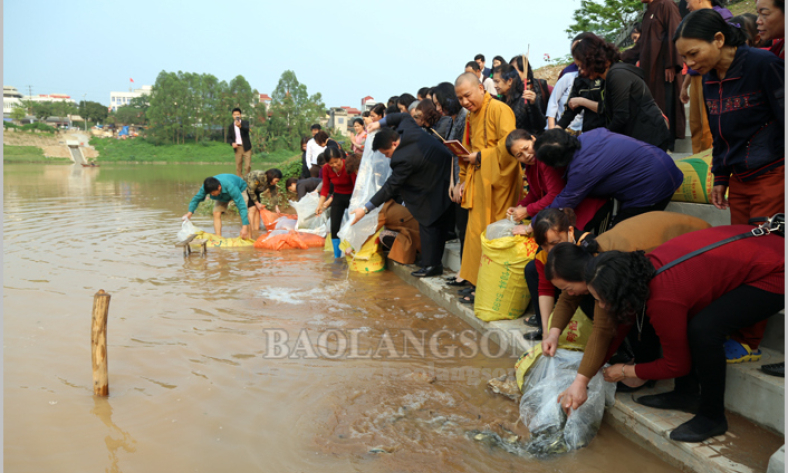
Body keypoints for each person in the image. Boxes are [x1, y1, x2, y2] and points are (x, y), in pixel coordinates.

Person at [583, 226, 784, 442]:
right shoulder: (639, 272)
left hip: (777, 270)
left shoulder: (663, 299)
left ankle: (712, 416)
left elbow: (676, 365)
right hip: (760, 250)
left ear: (621, 294)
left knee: (705, 330)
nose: (601, 306)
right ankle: (686, 393)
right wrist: (588, 372)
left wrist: (626, 370)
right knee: (686, 319)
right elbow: (621, 327)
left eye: (601, 299)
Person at [674, 8, 785, 359]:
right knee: (741, 258)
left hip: (772, 173)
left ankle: (750, 341)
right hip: (740, 178)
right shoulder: (707, 78)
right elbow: (720, 133)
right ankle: (739, 329)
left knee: (763, 258)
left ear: (719, 40)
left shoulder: (761, 64)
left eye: (694, 53)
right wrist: (720, 176)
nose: (690, 64)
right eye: (684, 57)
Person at [538, 211, 710, 402]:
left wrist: (580, 382)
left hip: (698, 244)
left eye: (569, 288)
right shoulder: (587, 259)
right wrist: (553, 334)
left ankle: (650, 372)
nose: (569, 293)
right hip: (673, 244)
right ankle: (644, 367)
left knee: (641, 311)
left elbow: (602, 330)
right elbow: (568, 298)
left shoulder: (604, 272)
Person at [350, 119, 453, 278]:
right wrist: (379, 124)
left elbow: (389, 187)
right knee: (431, 221)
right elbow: (400, 115)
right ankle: (430, 262)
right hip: (439, 170)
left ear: (393, 145)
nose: (388, 158)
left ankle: (432, 265)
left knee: (428, 221)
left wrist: (365, 209)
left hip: (441, 179)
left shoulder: (402, 160)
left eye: (386, 154)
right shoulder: (406, 128)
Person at [453, 72, 521, 303]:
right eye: (460, 99)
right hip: (478, 179)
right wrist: (461, 180)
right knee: (474, 234)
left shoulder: (500, 109)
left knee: (493, 234)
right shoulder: (471, 117)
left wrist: (482, 156)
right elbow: (466, 149)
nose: (464, 102)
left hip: (499, 181)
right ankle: (476, 281)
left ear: (481, 88)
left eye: (467, 96)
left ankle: (489, 284)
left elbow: (510, 144)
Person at [535, 128, 683, 226]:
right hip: (663, 163)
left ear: (558, 162)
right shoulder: (589, 135)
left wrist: (534, 223)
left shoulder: (582, 167)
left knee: (620, 236)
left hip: (653, 185)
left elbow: (565, 201)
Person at [571, 34, 671, 150]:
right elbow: (607, 108)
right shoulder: (609, 76)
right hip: (640, 137)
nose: (580, 71)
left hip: (650, 138)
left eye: (580, 66)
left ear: (590, 61)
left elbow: (620, 117)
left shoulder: (617, 75)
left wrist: (601, 139)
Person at [678, 0, 732, 153]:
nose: (687, 6)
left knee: (709, 125)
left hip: (713, 76)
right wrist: (685, 85)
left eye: (689, 2)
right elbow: (692, 61)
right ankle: (698, 160)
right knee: (696, 124)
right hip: (696, 78)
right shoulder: (693, 21)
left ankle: (711, 164)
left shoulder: (721, 17)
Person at [432, 82, 470, 287]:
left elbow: (464, 156)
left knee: (465, 229)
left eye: (439, 104)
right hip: (456, 179)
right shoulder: (452, 121)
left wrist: (460, 182)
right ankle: (463, 272)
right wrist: (452, 182)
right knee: (461, 228)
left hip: (465, 181)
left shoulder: (465, 119)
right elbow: (453, 155)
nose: (438, 109)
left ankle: (465, 274)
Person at [636, 0, 686, 150]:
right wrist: (619, 55)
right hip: (650, 72)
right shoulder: (647, 12)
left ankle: (668, 143)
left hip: (665, 70)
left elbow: (674, 32)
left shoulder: (666, 5)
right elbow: (641, 44)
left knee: (666, 105)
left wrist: (671, 63)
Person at [316, 147, 357, 258]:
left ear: (340, 158)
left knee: (355, 223)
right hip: (338, 197)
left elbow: (355, 185)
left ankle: (355, 250)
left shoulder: (348, 165)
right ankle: (337, 256)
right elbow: (325, 187)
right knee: (335, 227)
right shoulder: (326, 169)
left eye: (336, 161)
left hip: (352, 196)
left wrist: (356, 202)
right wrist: (320, 205)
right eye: (331, 163)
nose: (334, 165)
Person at [184, 174, 251, 239]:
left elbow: (242, 207)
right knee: (216, 212)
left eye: (213, 193)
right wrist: (190, 212)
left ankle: (249, 236)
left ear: (219, 187)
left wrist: (244, 228)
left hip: (240, 189)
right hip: (222, 195)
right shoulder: (206, 187)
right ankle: (219, 238)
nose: (211, 195)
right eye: (210, 193)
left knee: (243, 212)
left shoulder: (231, 186)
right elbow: (196, 198)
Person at [492, 64, 546, 132]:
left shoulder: (526, 99)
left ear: (509, 81)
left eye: (497, 82)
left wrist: (534, 105)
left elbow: (540, 125)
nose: (494, 86)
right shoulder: (499, 101)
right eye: (494, 82)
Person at [245, 169, 283, 238]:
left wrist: (276, 207)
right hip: (247, 187)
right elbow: (251, 190)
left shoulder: (271, 182)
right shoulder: (258, 178)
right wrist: (257, 203)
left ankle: (256, 230)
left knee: (258, 209)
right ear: (272, 177)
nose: (276, 183)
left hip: (256, 190)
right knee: (252, 209)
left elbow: (274, 194)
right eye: (276, 181)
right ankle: (249, 231)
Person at [226, 108, 252, 177]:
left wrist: (240, 126)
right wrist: (232, 143)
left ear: (240, 115)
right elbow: (229, 138)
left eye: (238, 114)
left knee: (247, 166)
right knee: (238, 167)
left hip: (246, 147)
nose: (236, 116)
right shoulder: (231, 126)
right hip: (237, 148)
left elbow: (246, 130)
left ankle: (246, 180)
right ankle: (240, 181)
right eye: (235, 115)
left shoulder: (245, 123)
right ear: (232, 116)